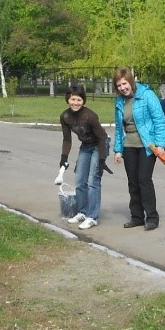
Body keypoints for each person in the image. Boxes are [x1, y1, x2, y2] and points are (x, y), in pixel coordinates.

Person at [112, 67, 165, 231]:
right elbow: (118, 128)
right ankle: (136, 217)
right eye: (119, 85)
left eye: (124, 84)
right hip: (129, 145)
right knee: (133, 182)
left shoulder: (147, 95)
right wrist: (118, 150)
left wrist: (160, 144)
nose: (123, 88)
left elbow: (159, 120)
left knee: (144, 179)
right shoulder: (120, 101)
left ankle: (152, 217)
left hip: (147, 145)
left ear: (131, 81)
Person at [58, 83, 111, 230]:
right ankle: (83, 212)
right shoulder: (65, 116)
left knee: (93, 181)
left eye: (79, 100)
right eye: (73, 99)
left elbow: (102, 137)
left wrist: (102, 159)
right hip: (86, 146)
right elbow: (67, 140)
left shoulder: (90, 116)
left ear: (83, 101)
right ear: (68, 99)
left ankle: (92, 217)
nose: (75, 103)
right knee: (80, 180)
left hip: (100, 145)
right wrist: (64, 158)